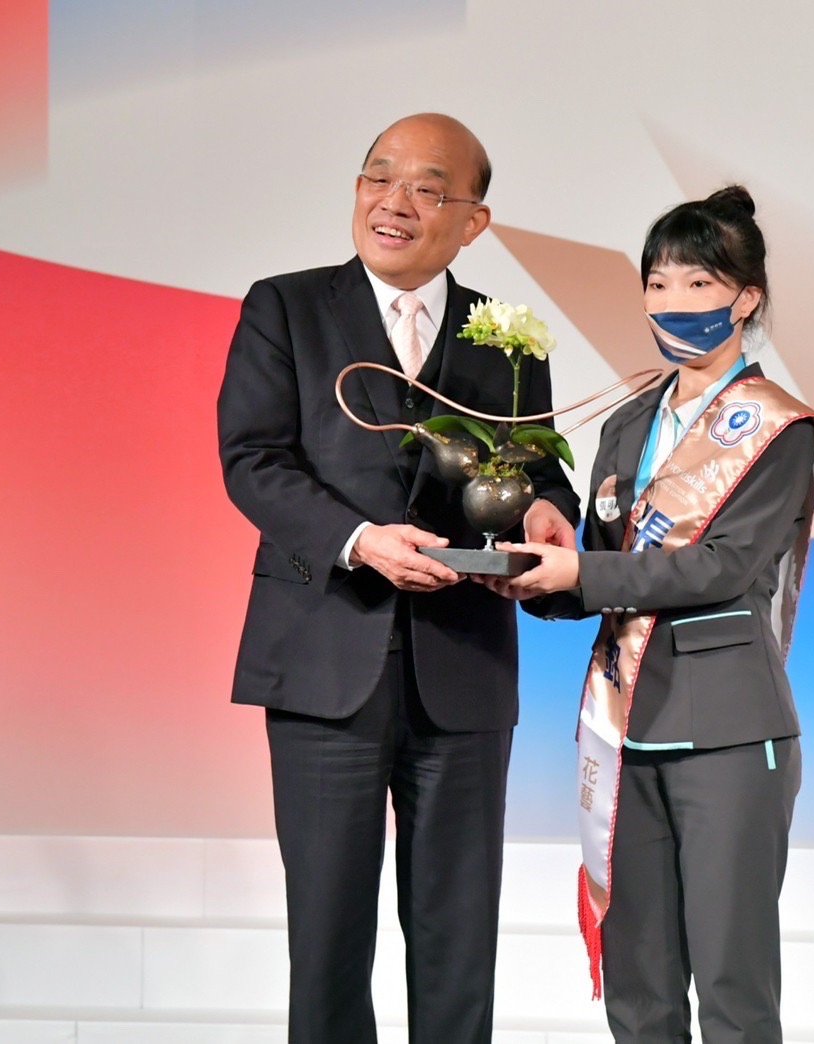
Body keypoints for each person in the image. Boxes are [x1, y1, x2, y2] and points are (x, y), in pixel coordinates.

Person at [217, 112, 579, 1044]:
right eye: (379, 177)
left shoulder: (509, 337)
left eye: (427, 187)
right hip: (325, 661)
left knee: (459, 938)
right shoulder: (285, 308)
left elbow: (536, 468)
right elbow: (253, 460)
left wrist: (547, 513)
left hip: (463, 666)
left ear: (473, 221)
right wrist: (360, 540)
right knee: (328, 938)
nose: (395, 201)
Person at [485, 186, 814, 1043]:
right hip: (624, 725)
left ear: (745, 299)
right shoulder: (629, 421)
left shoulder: (779, 428)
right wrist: (538, 579)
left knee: (734, 985)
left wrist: (584, 570)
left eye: (698, 283)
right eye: (658, 283)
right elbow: (609, 564)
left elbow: (722, 566)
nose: (673, 303)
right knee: (638, 986)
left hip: (729, 731)